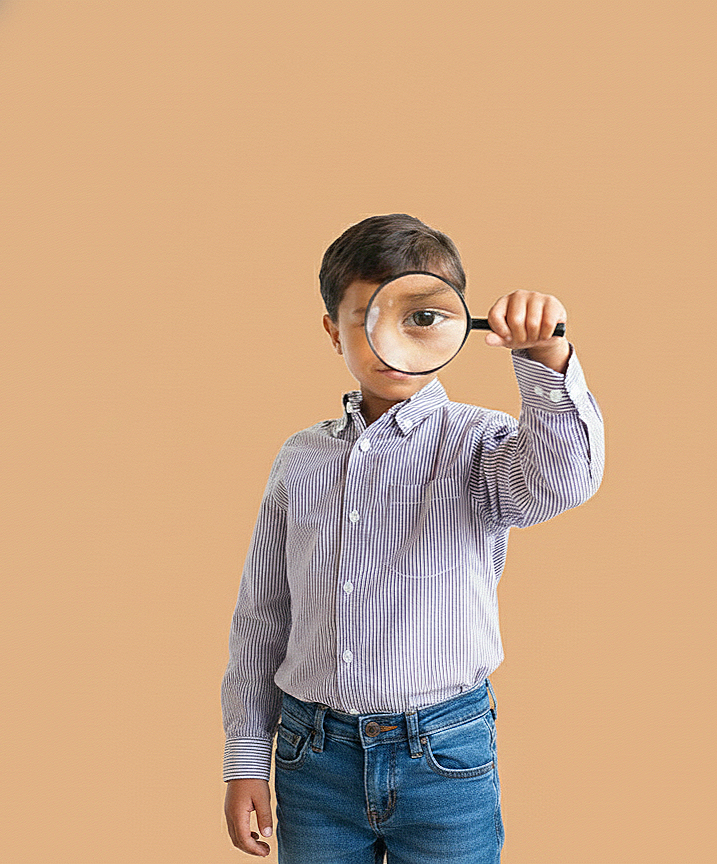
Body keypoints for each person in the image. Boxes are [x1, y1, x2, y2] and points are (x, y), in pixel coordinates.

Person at [221, 214, 605, 862]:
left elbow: (562, 481)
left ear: (455, 328)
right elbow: (262, 618)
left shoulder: (477, 443)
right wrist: (245, 757)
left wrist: (545, 358)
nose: (390, 340)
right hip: (313, 762)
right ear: (332, 330)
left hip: (445, 754)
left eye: (420, 318)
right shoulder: (299, 461)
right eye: (369, 317)